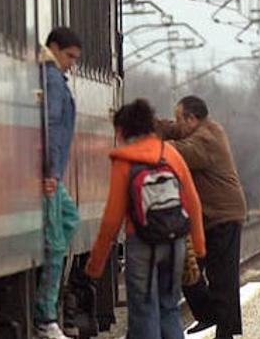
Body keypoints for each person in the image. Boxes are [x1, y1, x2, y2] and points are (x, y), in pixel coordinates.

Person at [85, 99, 205, 339]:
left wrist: (95, 266)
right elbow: (193, 204)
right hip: (175, 243)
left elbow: (111, 219)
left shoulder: (124, 161)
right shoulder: (169, 153)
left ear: (121, 130)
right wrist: (199, 250)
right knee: (169, 309)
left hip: (141, 245)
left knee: (144, 312)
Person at [158, 96, 247, 339]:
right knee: (190, 270)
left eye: (180, 119)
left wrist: (146, 145)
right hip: (209, 217)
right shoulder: (197, 129)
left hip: (223, 216)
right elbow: (174, 130)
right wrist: (148, 125)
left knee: (222, 278)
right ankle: (210, 315)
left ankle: (225, 330)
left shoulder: (207, 138)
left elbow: (180, 152)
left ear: (192, 119)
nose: (177, 124)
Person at [34, 27, 83, 339]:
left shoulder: (53, 78)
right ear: (54, 47)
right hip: (50, 174)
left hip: (54, 172)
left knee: (68, 218)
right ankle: (45, 316)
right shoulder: (50, 79)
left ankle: (47, 310)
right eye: (69, 56)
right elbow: (50, 126)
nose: (71, 64)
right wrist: (50, 172)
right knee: (54, 240)